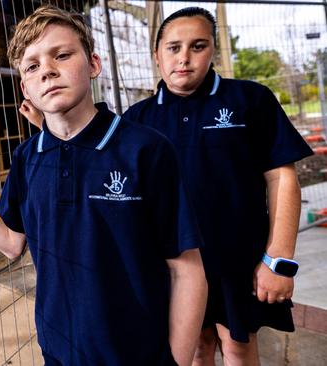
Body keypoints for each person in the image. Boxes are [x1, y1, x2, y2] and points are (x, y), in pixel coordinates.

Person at [0, 5, 207, 365]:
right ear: (25, 87)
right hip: (59, 350)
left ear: (93, 64)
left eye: (62, 55)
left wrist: (175, 362)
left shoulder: (145, 149)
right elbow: (10, 243)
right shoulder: (26, 158)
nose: (47, 71)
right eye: (32, 66)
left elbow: (187, 270)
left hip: (138, 352)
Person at [120, 7, 314, 366]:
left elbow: (282, 178)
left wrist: (278, 260)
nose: (184, 58)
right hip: (172, 263)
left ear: (213, 51)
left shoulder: (249, 100)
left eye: (197, 46)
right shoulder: (137, 120)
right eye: (173, 48)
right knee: (194, 346)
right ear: (157, 55)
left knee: (238, 345)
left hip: (238, 259)